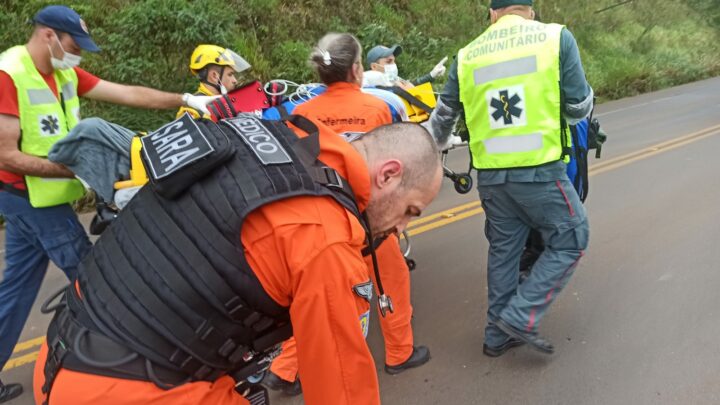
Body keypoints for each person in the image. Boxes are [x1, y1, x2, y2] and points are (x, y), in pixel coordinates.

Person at [32, 111, 443, 405]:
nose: (402, 229)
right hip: (135, 387)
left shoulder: (269, 138)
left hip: (63, 354)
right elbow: (343, 389)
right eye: (410, 211)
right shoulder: (326, 238)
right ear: (388, 175)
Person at [0, 6, 218, 401]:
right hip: (28, 199)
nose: (77, 54)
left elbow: (128, 93)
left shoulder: (63, 72)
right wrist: (79, 173)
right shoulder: (8, 73)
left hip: (40, 198)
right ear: (49, 35)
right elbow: (5, 156)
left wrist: (185, 98)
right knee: (99, 276)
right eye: (73, 45)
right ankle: (156, 360)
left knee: (16, 291)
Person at [263, 33, 431, 396]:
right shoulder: (377, 108)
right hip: (368, 218)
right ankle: (399, 353)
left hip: (320, 221)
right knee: (392, 278)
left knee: (313, 297)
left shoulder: (301, 114)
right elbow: (393, 165)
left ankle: (286, 367)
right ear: (356, 69)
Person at [428, 0, 593, 357]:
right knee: (572, 238)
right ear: (530, 11)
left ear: (493, 14)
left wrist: (435, 147)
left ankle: (496, 334)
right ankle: (521, 315)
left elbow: (442, 120)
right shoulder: (555, 38)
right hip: (539, 171)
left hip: (491, 177)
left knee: (505, 251)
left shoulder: (467, 54)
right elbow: (578, 108)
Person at [176, 44, 251, 119]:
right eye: (230, 74)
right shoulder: (192, 110)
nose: (235, 80)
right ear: (214, 76)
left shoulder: (230, 102)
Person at [363, 44, 447, 89]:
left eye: (394, 61)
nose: (393, 65)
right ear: (374, 66)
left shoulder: (391, 78)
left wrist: (431, 75)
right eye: (388, 61)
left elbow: (409, 86)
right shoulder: (370, 82)